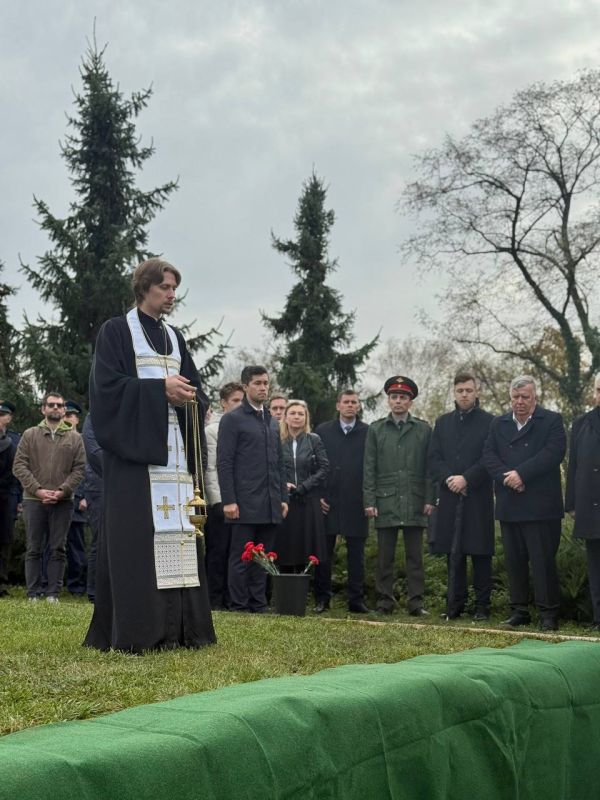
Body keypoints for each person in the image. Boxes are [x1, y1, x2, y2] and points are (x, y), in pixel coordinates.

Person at [84, 257, 216, 652]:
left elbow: (194, 389)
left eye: (175, 288)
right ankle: (141, 631)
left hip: (177, 463)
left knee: (181, 538)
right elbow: (106, 390)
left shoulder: (175, 337)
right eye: (165, 287)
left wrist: (191, 398)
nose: (172, 295)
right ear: (144, 288)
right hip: (136, 463)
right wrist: (160, 390)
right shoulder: (116, 331)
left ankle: (183, 630)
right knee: (137, 545)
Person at [483, 375, 566, 631]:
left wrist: (522, 474)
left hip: (541, 507)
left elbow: (553, 453)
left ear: (534, 398)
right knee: (514, 562)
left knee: (542, 563)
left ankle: (548, 613)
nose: (519, 402)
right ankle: (519, 610)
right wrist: (507, 478)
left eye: (525, 397)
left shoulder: (551, 420)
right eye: (515, 397)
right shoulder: (498, 424)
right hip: (510, 504)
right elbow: (488, 455)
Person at [217, 365, 288, 612]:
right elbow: (224, 462)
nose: (263, 388)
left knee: (263, 557)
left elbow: (279, 463)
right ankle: (239, 605)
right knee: (241, 557)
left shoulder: (271, 420)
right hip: (243, 503)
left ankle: (258, 603)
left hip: (270, 503)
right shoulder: (232, 419)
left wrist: (283, 497)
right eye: (257, 383)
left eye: (266, 383)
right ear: (246, 386)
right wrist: (229, 500)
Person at [363, 376, 435, 616]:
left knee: (415, 558)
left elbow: (430, 468)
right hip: (385, 500)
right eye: (394, 397)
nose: (398, 401)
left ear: (410, 402)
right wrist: (369, 501)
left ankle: (416, 604)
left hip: (415, 500)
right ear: (388, 400)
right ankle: (384, 602)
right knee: (385, 558)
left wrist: (429, 498)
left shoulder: (423, 429)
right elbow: (369, 468)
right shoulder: (376, 429)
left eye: (403, 397)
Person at [428, 372, 495, 621]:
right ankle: (455, 604)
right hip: (450, 495)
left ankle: (482, 606)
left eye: (468, 390)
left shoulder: (490, 422)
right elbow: (434, 457)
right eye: (460, 391)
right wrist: (450, 479)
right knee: (453, 552)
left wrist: (467, 479)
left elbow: (490, 457)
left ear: (476, 392)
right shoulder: (443, 422)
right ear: (454, 393)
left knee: (480, 552)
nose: (464, 395)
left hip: (477, 495)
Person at [13, 392, 86, 602]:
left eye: (59, 405)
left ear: (64, 411)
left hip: (63, 501)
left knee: (58, 548)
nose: (55, 408)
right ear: (43, 409)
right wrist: (37, 490)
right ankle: (33, 594)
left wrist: (63, 490)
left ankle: (53, 594)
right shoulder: (30, 435)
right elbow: (19, 466)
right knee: (33, 548)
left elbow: (80, 469)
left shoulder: (75, 438)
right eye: (51, 405)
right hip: (33, 500)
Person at [314, 390, 370, 613]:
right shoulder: (323, 431)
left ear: (358, 406)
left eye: (354, 402)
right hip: (328, 501)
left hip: (357, 501)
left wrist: (368, 498)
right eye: (346, 402)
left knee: (356, 555)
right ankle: (322, 599)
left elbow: (371, 466)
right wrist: (318, 496)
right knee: (324, 553)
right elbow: (315, 464)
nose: (350, 405)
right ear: (338, 405)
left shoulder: (367, 432)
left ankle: (356, 600)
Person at [274, 400, 329, 574]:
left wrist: (304, 486)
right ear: (285, 417)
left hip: (308, 501)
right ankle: (283, 587)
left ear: (306, 418)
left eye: (301, 414)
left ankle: (304, 587)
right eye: (293, 413)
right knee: (285, 549)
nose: (296, 417)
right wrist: (283, 484)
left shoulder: (314, 440)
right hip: (285, 502)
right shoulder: (277, 440)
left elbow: (324, 468)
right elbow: (270, 467)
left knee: (307, 550)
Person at [204, 381, 244, 610]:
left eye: (242, 401)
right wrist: (218, 500)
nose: (239, 405)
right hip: (221, 502)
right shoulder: (212, 430)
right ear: (223, 403)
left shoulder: (247, 427)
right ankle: (215, 599)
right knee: (218, 551)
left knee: (236, 552)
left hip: (243, 500)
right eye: (235, 401)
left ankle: (233, 598)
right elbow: (211, 468)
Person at [565, 373, 600, 632]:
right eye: (599, 390)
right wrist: (572, 504)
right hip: (591, 507)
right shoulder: (580, 424)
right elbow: (573, 467)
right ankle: (599, 619)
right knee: (596, 566)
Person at [63, 400, 88, 596]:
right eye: (66, 415)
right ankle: (47, 585)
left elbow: (89, 471)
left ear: (77, 419)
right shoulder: (55, 440)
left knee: (77, 546)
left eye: (71, 415)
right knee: (51, 545)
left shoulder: (84, 441)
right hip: (59, 499)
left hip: (78, 501)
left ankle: (77, 586)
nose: (68, 418)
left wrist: (86, 496)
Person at [81, 413, 103, 603]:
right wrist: (121, 469)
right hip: (99, 485)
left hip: (125, 485)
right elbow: (94, 452)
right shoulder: (94, 415)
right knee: (100, 538)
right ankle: (95, 592)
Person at [0, 402, 17, 597]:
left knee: (4, 540)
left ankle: (2, 583)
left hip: (5, 497)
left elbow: (15, 472)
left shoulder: (12, 442)